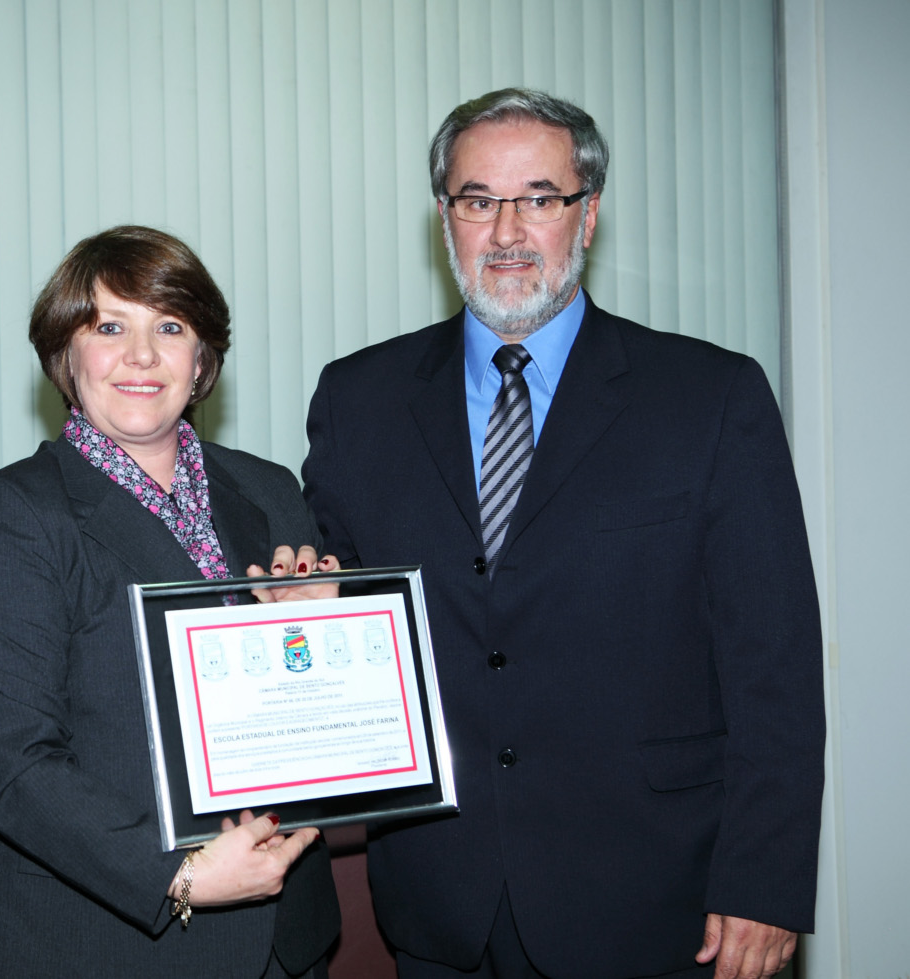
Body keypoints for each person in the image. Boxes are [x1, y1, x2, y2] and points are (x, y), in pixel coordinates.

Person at [302, 89, 824, 979]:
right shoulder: (358, 400)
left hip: (657, 899)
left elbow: (773, 664)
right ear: (444, 219)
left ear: (587, 217)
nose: (506, 230)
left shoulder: (709, 397)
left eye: (539, 198)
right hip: (439, 902)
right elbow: (338, 617)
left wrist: (765, 882)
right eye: (477, 199)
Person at [0, 226, 341, 978]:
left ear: (202, 357)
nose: (141, 355)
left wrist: (321, 629)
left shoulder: (270, 490)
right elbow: (9, 758)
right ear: (65, 355)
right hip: (109, 937)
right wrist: (175, 873)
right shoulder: (16, 512)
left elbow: (311, 722)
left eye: (170, 327)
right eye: (109, 327)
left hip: (285, 936)